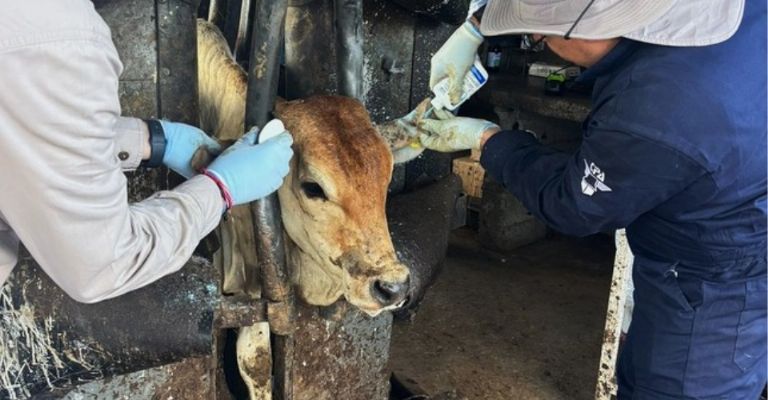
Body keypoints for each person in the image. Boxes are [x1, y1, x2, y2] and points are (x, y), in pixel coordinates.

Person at [414, 0, 767, 398]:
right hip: (738, 213)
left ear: (589, 30)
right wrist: (474, 30)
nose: (535, 40)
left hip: (714, 286)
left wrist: (487, 139)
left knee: (671, 387)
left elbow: (574, 204)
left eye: (542, 35)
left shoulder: (653, 111)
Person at [0, 0, 293, 303]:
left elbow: (22, 129)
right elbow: (101, 267)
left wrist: (151, 140)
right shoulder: (63, 38)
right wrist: (220, 189)